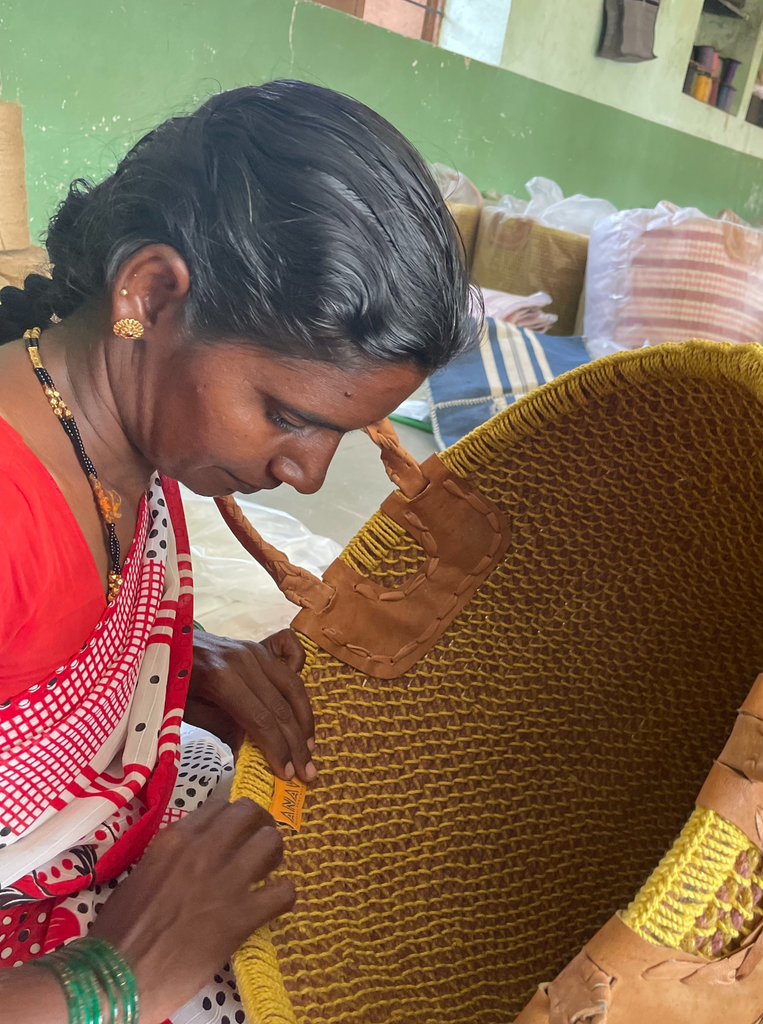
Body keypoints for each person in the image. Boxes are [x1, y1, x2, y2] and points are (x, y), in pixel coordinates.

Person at [0, 79, 473, 1023]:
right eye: (286, 416)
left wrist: (175, 657)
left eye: (341, 435)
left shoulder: (116, 431)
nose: (306, 473)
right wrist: (115, 974)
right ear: (151, 293)